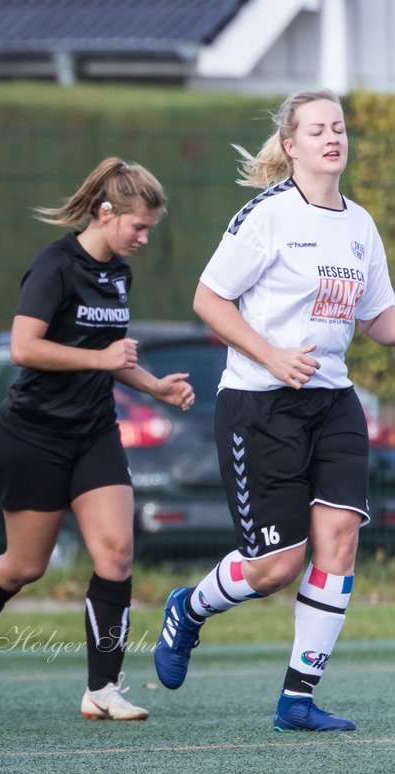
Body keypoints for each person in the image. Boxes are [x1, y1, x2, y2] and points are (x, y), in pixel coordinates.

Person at [153, 89, 395, 731]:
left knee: (340, 533)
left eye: (339, 127)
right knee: (275, 566)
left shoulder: (360, 225)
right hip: (261, 405)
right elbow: (209, 299)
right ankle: (189, 607)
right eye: (318, 129)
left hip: (335, 403)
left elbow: (378, 322)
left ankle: (298, 700)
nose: (332, 137)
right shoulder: (266, 216)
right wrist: (273, 355)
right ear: (291, 146)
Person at [0, 157, 193, 721]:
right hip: (34, 435)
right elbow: (24, 348)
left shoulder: (119, 272)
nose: (144, 238)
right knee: (25, 566)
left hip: (94, 432)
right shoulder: (53, 266)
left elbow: (113, 354)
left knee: (117, 554)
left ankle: (103, 689)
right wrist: (99, 357)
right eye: (138, 226)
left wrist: (155, 387)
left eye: (149, 228)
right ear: (105, 213)